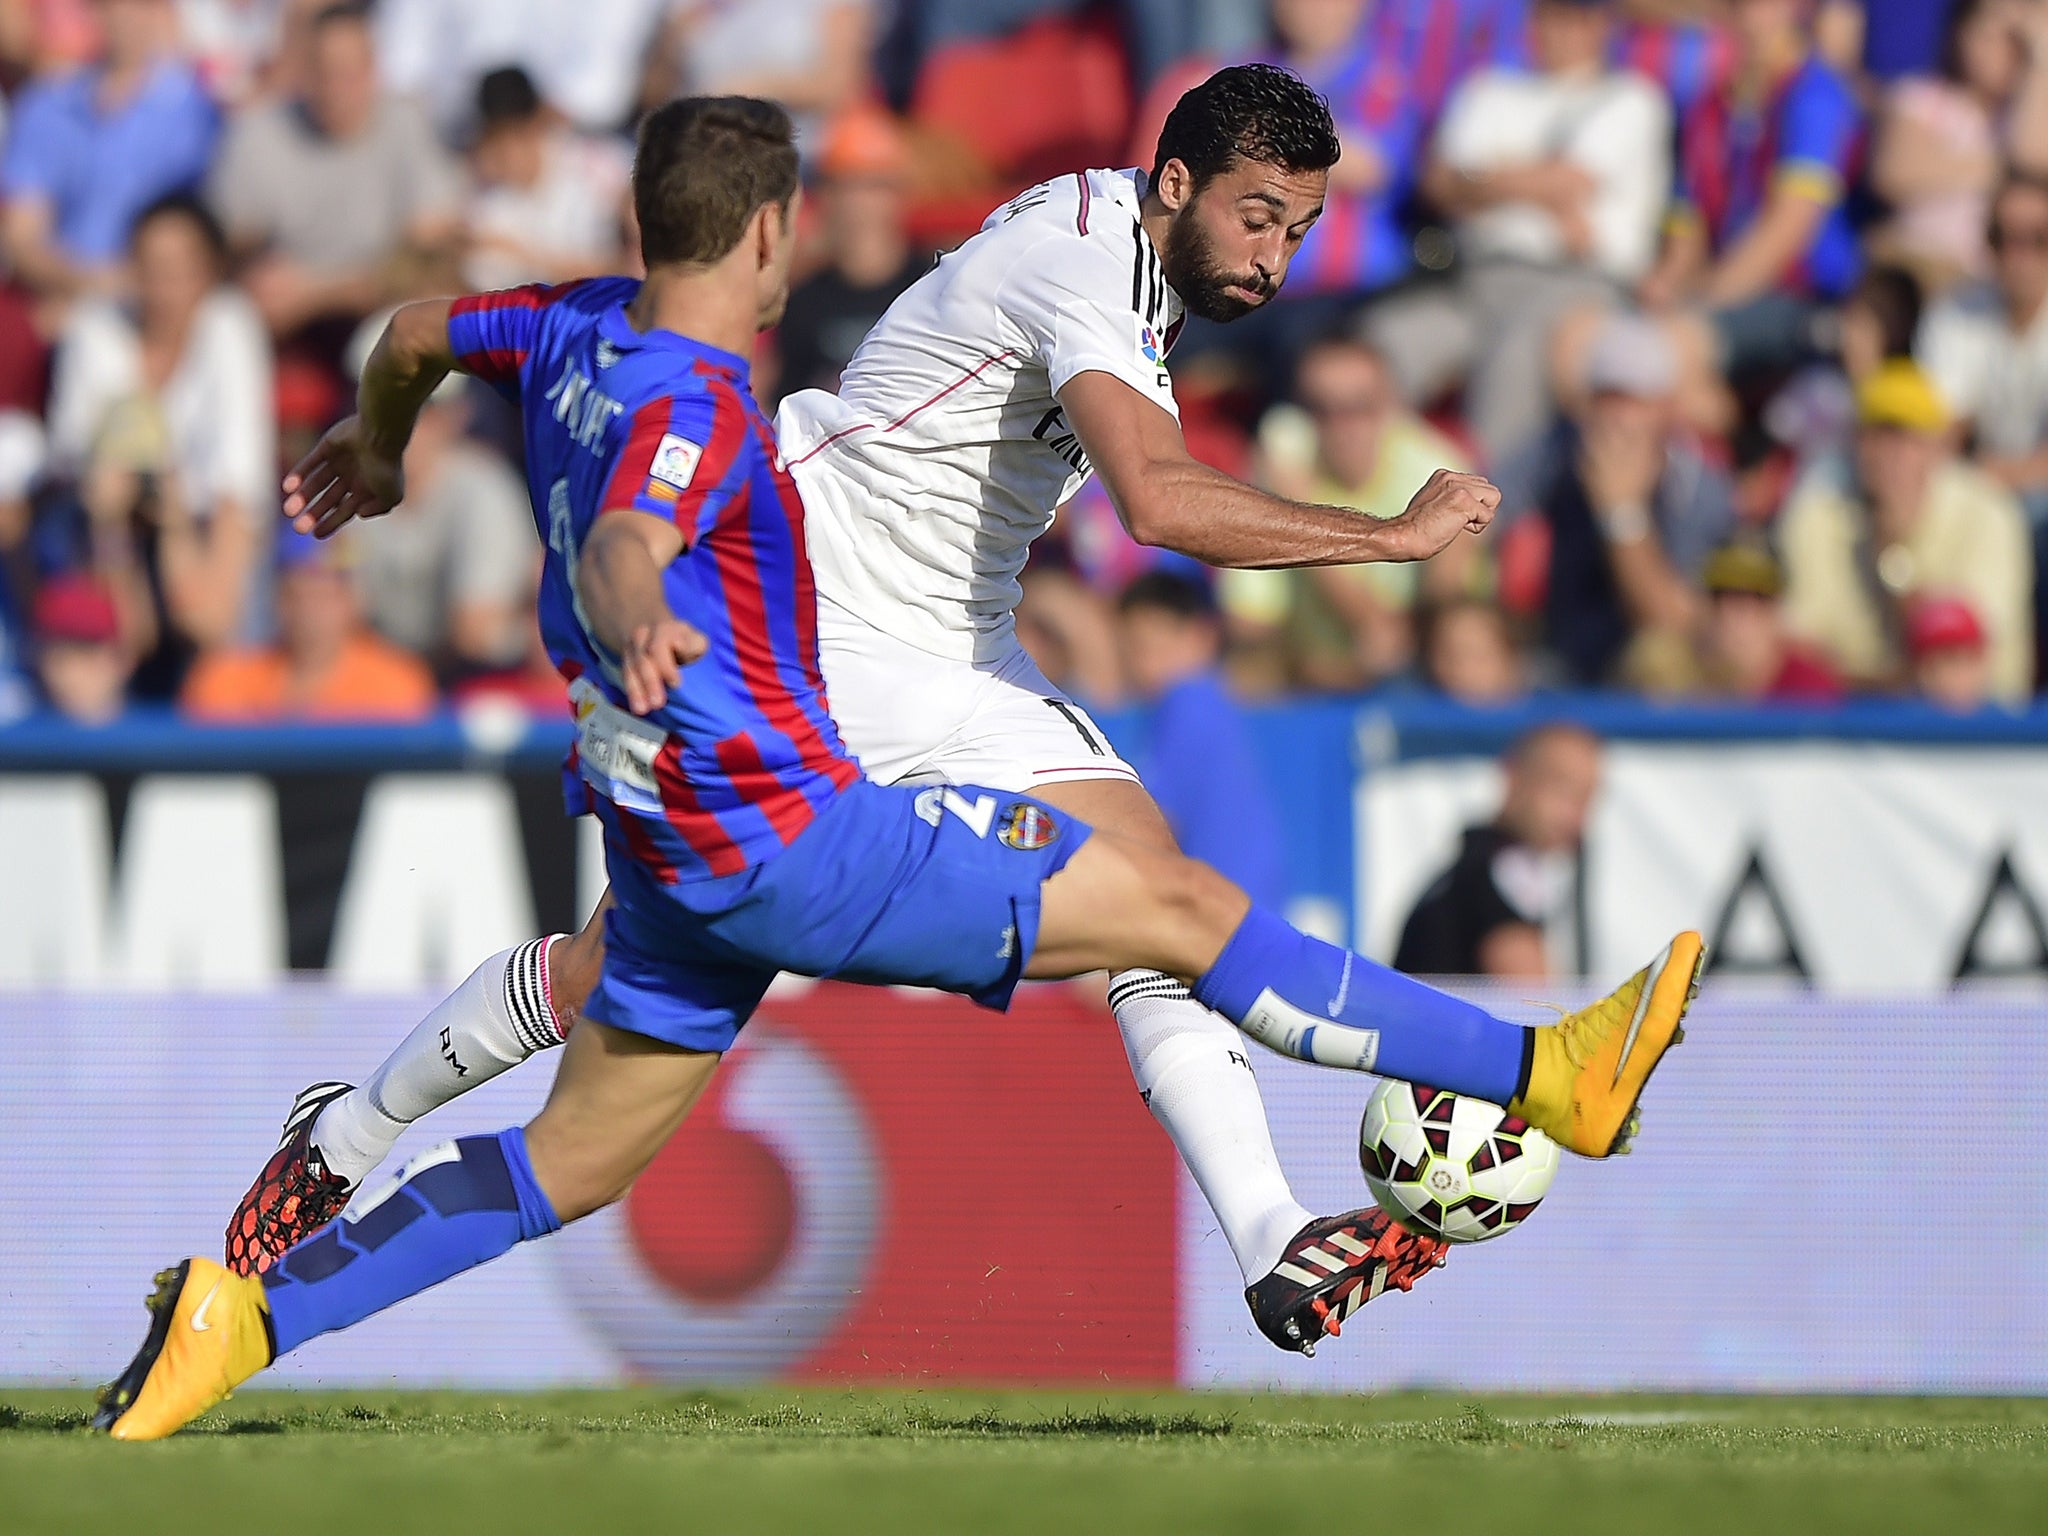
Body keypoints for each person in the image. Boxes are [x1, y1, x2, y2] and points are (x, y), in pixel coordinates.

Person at [97, 95, 1704, 1441]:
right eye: (1259, 220)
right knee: (1157, 915)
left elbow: (417, 331)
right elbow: (1152, 501)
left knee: (1142, 898)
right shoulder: (995, 303)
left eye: (1296, 229)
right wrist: (1394, 538)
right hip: (835, 649)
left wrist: (380, 445)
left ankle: (1276, 1235)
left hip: (954, 649)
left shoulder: (602, 313)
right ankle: (350, 1133)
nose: (1276, 260)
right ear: (1173, 188)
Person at [1374, 0, 1672, 463]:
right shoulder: (1488, 89)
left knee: (1511, 367)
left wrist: (1480, 180)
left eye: (1577, 16)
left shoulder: (1630, 95)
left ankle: (1486, 520)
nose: (1562, 29)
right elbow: (1437, 183)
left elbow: (1568, 180)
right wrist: (1540, 188)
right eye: (1550, 15)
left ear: (1601, 25)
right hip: (1475, 281)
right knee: (1376, 349)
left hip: (1575, 283)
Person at [43, 193, 275, 686]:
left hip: (202, 530)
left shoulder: (232, 326)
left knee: (221, 605)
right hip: (110, 525)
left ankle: (224, 692)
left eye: (177, 267)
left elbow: (238, 486)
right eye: (148, 265)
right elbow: (80, 466)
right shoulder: (94, 326)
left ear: (208, 271)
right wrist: (115, 518)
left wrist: (171, 515)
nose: (160, 284)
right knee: (92, 515)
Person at [1224, 332, 1475, 691]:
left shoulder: (1436, 472)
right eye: (1322, 408)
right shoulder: (1283, 466)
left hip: (1422, 680)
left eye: (1359, 406)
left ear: (1390, 406)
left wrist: (1298, 513)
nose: (1342, 426)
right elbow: (1249, 626)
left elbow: (1422, 633)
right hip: (1312, 682)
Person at [1497, 311, 1738, 686]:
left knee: (1659, 659)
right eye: (1605, 399)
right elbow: (1482, 506)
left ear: (1666, 409)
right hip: (1558, 662)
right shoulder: (1558, 450)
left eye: (1634, 401)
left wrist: (1621, 515)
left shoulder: (1702, 490)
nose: (1616, 418)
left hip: (1654, 684)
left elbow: (1675, 623)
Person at [208, 0, 463, 342]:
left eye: (349, 73)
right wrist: (254, 276)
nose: (335, 89)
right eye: (323, 72)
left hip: (383, 318)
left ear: (373, 69)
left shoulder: (408, 125)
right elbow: (225, 251)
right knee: (224, 320)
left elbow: (431, 259)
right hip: (279, 330)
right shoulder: (259, 131)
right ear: (304, 71)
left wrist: (318, 293)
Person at [1779, 358, 2034, 700]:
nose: (1890, 455)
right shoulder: (1820, 516)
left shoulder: (1987, 513)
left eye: (1906, 439)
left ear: (1939, 449)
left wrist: (1893, 553)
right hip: (1850, 719)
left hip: (1981, 730)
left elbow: (1955, 659)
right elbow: (1799, 648)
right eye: (1875, 437)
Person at [1642, 0, 1864, 385]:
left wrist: (1701, 303)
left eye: (1764, 5)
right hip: (1721, 294)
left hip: (1804, 300)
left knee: (1659, 354)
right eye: (1737, 6)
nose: (1750, 19)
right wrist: (1664, 286)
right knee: (1593, 340)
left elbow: (1785, 233)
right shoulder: (1707, 109)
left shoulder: (1815, 95)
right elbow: (1686, 225)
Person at [0, 0, 217, 313]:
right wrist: (84, 286)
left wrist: (130, 290)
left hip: (157, 307)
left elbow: (194, 239)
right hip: (55, 299)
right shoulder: (47, 105)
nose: (125, 17)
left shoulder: (197, 114)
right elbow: (23, 235)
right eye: (111, 4)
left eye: (139, 5)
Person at [1115, 570, 1287, 910]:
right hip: (1246, 908)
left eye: (1151, 647)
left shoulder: (1186, 700)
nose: (1142, 665)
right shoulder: (1210, 698)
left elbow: (1152, 824)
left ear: (1202, 636)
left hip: (1218, 914)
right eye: (1131, 649)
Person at [1395, 722, 1601, 979]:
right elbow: (1535, 1003)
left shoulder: (1469, 867)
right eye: (1562, 790)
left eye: (1586, 798)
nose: (1575, 815)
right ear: (1514, 775)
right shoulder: (1506, 870)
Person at [1870, 0, 2048, 290]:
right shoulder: (1923, 98)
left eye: (2015, 40)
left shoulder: (2027, 116)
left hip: (1992, 285)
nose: (2001, 51)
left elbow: (2031, 157)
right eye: (1989, 36)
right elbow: (1894, 174)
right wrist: (2003, 171)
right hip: (1917, 265)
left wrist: (2040, 54)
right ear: (1960, 36)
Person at [179, 525, 438, 721]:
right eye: (298, 593)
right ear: (277, 600)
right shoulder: (225, 681)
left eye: (326, 594)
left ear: (354, 601)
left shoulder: (397, 685)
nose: (311, 610)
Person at [770, 106, 926, 402]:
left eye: (874, 185)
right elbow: (787, 402)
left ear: (900, 194)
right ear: (825, 196)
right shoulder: (803, 301)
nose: (859, 203)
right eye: (847, 185)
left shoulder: (930, 286)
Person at [462, 66, 633, 294]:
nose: (507, 149)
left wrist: (525, 256)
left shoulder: (601, 166)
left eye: (516, 133)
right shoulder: (487, 200)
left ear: (537, 121)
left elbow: (626, 267)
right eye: (496, 137)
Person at [30, 568, 132, 722]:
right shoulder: (19, 738)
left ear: (122, 659)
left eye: (85, 653)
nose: (68, 673)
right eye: (57, 656)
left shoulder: (163, 736)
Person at [1904, 592, 1998, 712]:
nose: (1962, 673)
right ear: (1923, 670)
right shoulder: (1899, 724)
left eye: (1971, 658)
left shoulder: (2009, 724)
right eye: (1950, 659)